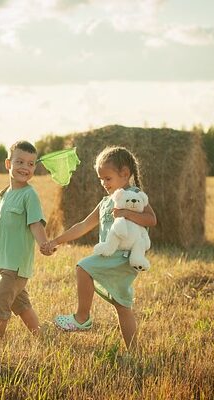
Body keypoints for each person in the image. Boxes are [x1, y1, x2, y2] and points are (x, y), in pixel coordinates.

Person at [41, 146, 157, 351]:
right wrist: (56, 241)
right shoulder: (105, 202)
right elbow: (83, 225)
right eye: (100, 179)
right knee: (123, 307)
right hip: (113, 256)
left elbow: (151, 219)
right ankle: (135, 352)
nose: (104, 183)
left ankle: (82, 317)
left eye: (108, 178)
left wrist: (125, 214)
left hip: (123, 257)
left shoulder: (134, 195)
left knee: (83, 267)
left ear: (125, 174)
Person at [0, 140, 53, 340]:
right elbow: (1, 225)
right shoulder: (4, 195)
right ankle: (40, 336)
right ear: (8, 164)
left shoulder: (29, 195)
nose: (25, 168)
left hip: (16, 265)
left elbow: (35, 223)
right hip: (1, 262)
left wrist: (44, 243)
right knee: (20, 304)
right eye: (20, 162)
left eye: (31, 164)